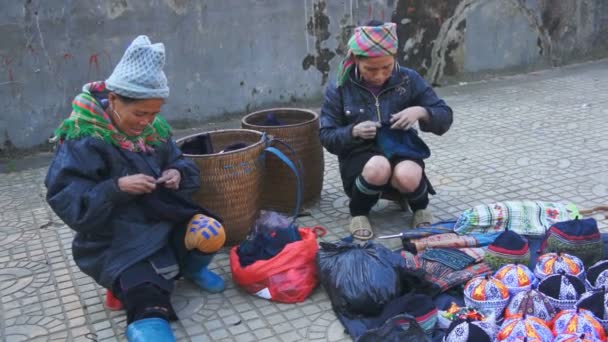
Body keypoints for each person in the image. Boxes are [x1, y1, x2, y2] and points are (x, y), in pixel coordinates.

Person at [45, 36, 225, 342]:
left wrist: (176, 173)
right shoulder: (84, 137)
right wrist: (116, 188)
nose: (146, 122)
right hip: (116, 240)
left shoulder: (155, 130)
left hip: (161, 222)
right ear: (113, 99)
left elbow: (185, 166)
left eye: (153, 113)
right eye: (139, 114)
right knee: (151, 309)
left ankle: (189, 270)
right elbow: (67, 200)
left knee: (211, 232)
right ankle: (128, 290)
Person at [319, 20, 453, 240]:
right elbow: (326, 135)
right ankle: (359, 212)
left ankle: (420, 207)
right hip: (359, 155)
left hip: (400, 147)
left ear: (395, 58)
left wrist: (421, 112)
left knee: (408, 174)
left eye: (386, 68)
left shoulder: (409, 78)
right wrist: (353, 131)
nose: (380, 75)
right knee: (378, 167)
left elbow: (445, 115)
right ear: (356, 61)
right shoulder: (341, 86)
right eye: (370, 69)